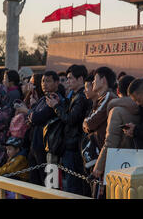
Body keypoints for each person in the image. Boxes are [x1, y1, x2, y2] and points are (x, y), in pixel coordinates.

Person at [46, 65, 91, 194]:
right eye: (67, 79)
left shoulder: (81, 97)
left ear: (80, 79)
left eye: (70, 78)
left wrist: (56, 107)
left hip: (74, 146)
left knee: (74, 187)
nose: (67, 81)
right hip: (70, 145)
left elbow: (71, 119)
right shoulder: (75, 95)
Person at [22, 71, 65, 185]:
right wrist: (32, 114)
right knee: (34, 181)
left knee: (48, 184)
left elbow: (37, 117)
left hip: (47, 147)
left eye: (48, 81)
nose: (44, 84)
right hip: (35, 144)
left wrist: (30, 113)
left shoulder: (55, 99)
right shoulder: (43, 99)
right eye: (42, 81)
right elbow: (32, 116)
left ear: (57, 83)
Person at [93, 75, 140, 180]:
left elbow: (111, 142)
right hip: (139, 160)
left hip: (119, 162)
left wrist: (99, 166)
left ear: (118, 90)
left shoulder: (117, 111)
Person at [83, 67, 117, 151]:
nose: (93, 82)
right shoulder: (102, 98)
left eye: (95, 79)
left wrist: (85, 123)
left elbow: (90, 123)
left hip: (103, 148)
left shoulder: (108, 97)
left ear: (103, 80)